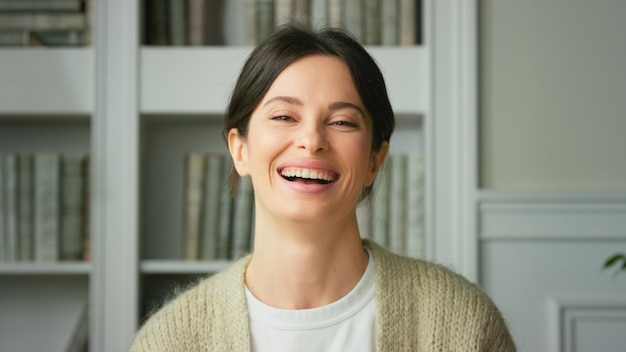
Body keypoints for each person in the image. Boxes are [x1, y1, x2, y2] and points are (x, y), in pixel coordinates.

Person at [129, 24, 516, 351]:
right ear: (240, 150)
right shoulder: (170, 341)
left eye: (343, 122)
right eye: (284, 116)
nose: (311, 140)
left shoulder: (461, 325)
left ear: (374, 161)